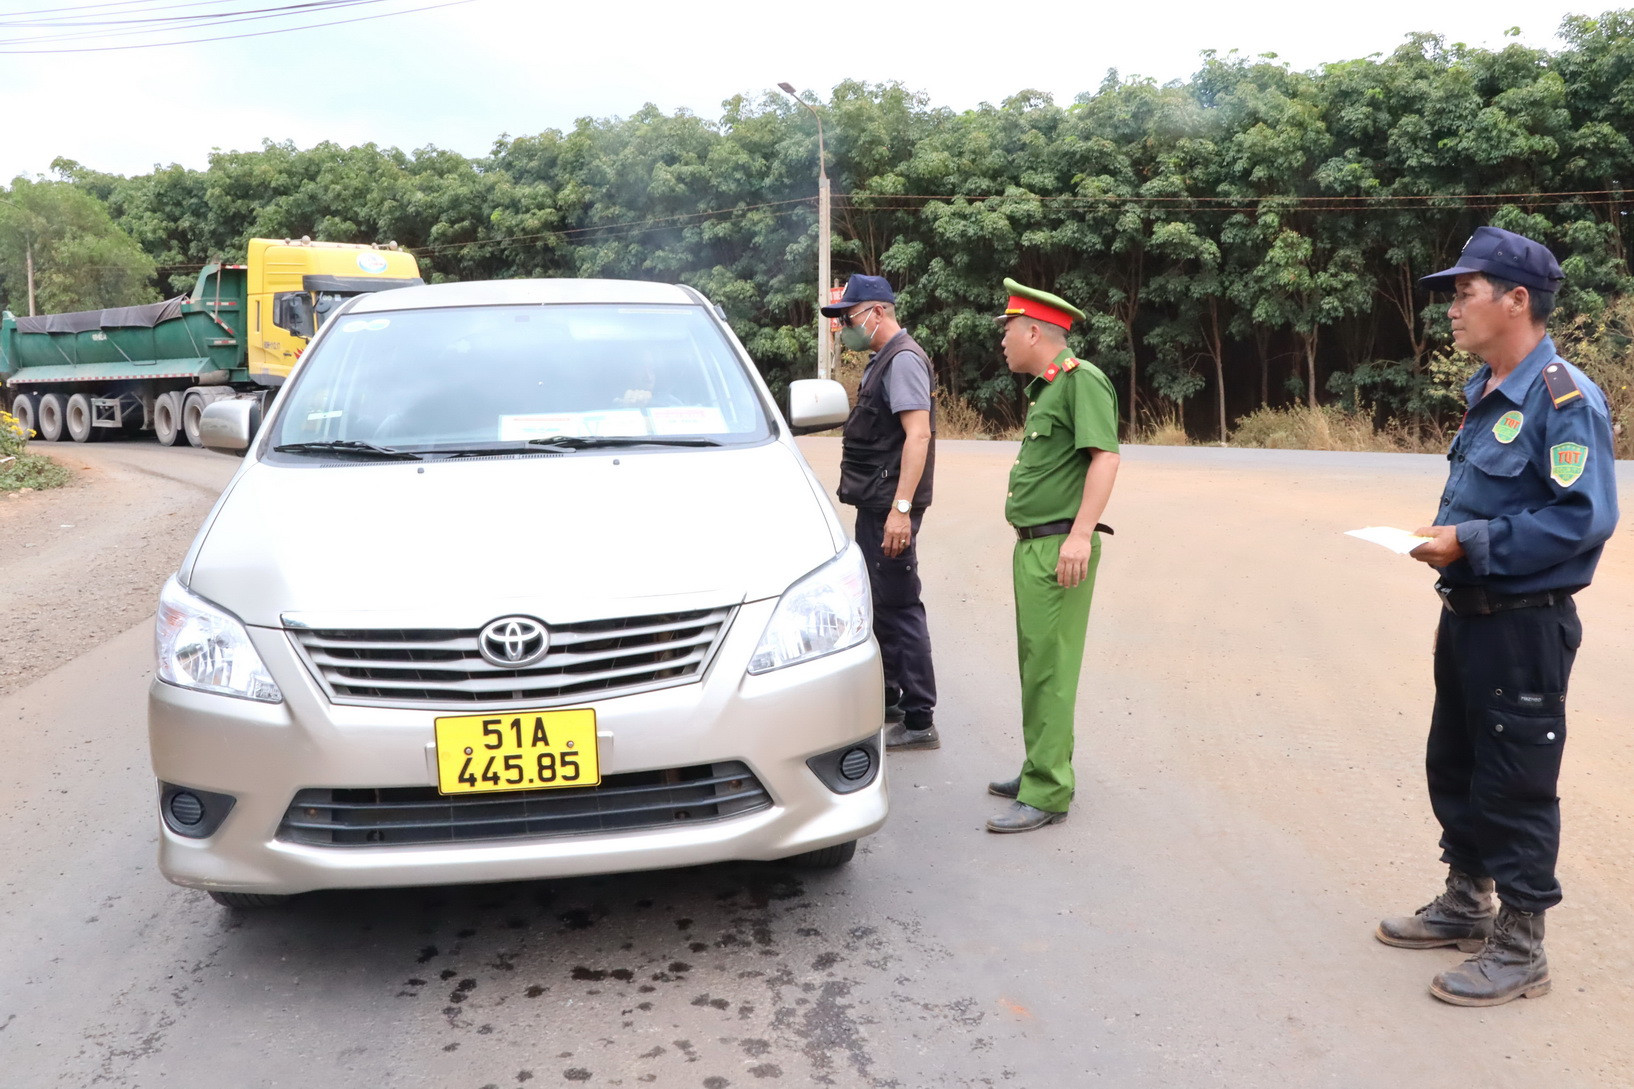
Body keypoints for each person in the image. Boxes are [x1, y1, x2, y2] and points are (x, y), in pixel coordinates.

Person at [1378, 226, 1619, 1006]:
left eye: (1464, 292)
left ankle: (1521, 947)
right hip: (1470, 612)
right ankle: (1467, 900)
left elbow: (1584, 518)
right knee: (1460, 760)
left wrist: (1470, 540)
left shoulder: (1563, 397)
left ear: (1517, 300)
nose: (1451, 309)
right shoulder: (1487, 391)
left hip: (1524, 624)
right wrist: (1449, 541)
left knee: (1516, 777)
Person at [986, 278, 1120, 833]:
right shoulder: (1046, 389)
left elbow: (1105, 459)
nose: (1003, 341)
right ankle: (1041, 765)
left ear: (1035, 330)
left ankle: (1047, 792)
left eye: (1009, 330)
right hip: (1035, 545)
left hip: (1059, 547)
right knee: (1035, 665)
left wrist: (1081, 535)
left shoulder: (1080, 381)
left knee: (1052, 669)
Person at [820, 274, 940, 751]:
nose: (844, 329)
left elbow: (919, 436)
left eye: (848, 319)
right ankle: (889, 697)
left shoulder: (904, 360)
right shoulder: (880, 361)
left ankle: (918, 719)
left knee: (900, 604)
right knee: (880, 603)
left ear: (877, 312)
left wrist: (901, 512)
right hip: (877, 502)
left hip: (892, 506)